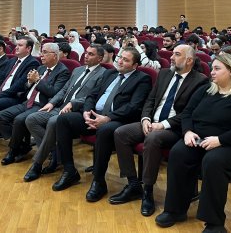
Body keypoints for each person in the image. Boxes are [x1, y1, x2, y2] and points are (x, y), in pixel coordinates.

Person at [154, 53, 231, 231]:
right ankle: (175, 210)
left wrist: (220, 140)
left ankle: (214, 223)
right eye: (212, 68)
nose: (211, 72)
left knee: (213, 161)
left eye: (217, 69)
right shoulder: (206, 89)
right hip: (200, 139)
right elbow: (187, 113)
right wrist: (188, 132)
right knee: (179, 152)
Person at [110, 45, 208, 216]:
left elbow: (189, 113)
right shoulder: (164, 73)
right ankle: (133, 183)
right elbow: (151, 99)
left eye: (177, 55)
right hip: (151, 121)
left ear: (189, 60)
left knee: (153, 139)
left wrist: (163, 125)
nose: (171, 57)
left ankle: (147, 190)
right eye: (172, 54)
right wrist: (146, 118)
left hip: (175, 128)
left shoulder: (200, 80)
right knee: (121, 133)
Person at [52, 47, 152, 202]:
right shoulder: (110, 73)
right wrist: (86, 111)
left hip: (117, 120)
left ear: (135, 65)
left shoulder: (142, 79)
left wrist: (107, 118)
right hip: (94, 115)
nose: (120, 61)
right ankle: (69, 170)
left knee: (105, 130)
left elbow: (134, 107)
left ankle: (98, 181)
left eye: (126, 60)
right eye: (120, 57)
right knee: (63, 120)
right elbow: (92, 95)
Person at [22, 45, 107, 182]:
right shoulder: (78, 70)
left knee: (52, 122)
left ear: (100, 58)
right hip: (60, 107)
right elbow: (64, 90)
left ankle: (37, 164)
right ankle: (56, 153)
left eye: (91, 54)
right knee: (31, 119)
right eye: (86, 53)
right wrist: (52, 103)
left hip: (77, 112)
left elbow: (94, 96)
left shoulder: (103, 74)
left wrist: (73, 103)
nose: (86, 55)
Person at [0, 43, 70, 166]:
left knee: (19, 120)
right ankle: (23, 145)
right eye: (41, 52)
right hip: (27, 102)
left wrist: (38, 80)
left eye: (45, 52)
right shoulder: (41, 68)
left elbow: (54, 92)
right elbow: (26, 87)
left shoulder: (63, 71)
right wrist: (29, 82)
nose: (41, 55)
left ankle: (13, 150)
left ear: (55, 55)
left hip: (42, 105)